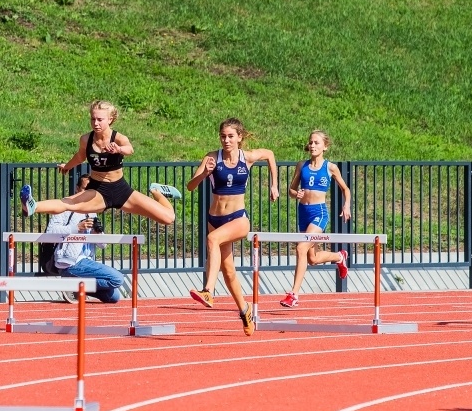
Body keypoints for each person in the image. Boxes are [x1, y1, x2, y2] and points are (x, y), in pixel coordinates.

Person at [187, 118, 279, 336]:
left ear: (239, 137)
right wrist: (204, 173)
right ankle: (245, 310)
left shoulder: (247, 157)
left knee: (212, 240)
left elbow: (270, 155)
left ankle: (208, 290)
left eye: (230, 136)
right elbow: (190, 186)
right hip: (215, 219)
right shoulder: (211, 158)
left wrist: (274, 185)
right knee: (229, 272)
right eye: (223, 136)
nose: (226, 140)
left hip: (238, 218)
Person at [19, 100, 180, 225]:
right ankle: (32, 206)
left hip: (121, 189)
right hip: (98, 190)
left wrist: (118, 149)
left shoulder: (118, 138)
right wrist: (67, 166)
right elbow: (80, 156)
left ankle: (156, 190)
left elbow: (130, 149)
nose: (95, 123)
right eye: (93, 119)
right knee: (68, 203)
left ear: (110, 119)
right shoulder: (86, 139)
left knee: (168, 218)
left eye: (100, 119)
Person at [279, 129, 351, 308]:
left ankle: (293, 294)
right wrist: (296, 194)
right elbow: (291, 190)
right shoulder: (301, 165)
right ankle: (339, 257)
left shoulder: (330, 167)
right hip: (303, 212)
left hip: (319, 214)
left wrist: (346, 205)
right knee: (312, 259)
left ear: (325, 146)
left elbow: (345, 189)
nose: (312, 145)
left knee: (301, 248)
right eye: (310, 142)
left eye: (316, 143)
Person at [46, 173, 125, 303]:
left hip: (87, 262)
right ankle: (73, 284)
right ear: (77, 189)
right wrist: (76, 227)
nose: (87, 194)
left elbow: (103, 245)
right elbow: (50, 232)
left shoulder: (92, 211)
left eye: (91, 190)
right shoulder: (65, 207)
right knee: (117, 279)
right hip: (71, 262)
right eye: (84, 189)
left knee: (114, 296)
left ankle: (76, 286)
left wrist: (97, 232)